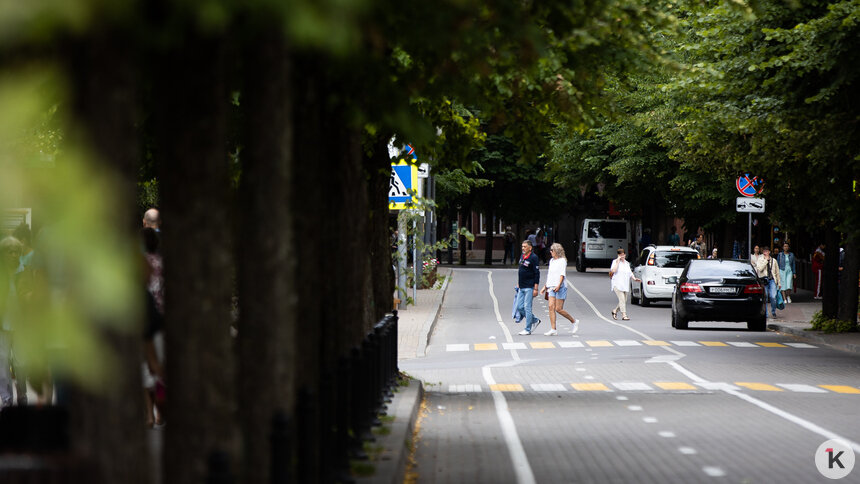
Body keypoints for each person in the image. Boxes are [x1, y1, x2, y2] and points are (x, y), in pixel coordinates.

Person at [0, 236, 30, 407]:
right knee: (2, 363)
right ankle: (6, 399)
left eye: (16, 252)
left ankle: (22, 395)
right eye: (9, 252)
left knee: (21, 363)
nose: (13, 255)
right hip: (2, 326)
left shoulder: (24, 271)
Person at [539, 243, 577, 335]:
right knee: (550, 307)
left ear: (556, 251)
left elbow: (562, 274)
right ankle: (553, 329)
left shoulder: (562, 261)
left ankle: (574, 321)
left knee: (558, 309)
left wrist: (559, 285)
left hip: (561, 286)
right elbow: (550, 275)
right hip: (551, 286)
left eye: (552, 250)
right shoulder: (552, 261)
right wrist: (545, 286)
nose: (550, 252)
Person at [515, 240, 541, 335]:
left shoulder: (534, 257)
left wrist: (536, 288)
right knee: (519, 307)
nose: (523, 248)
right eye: (522, 246)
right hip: (521, 286)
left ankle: (527, 329)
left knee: (527, 307)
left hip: (529, 286)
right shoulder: (522, 256)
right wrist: (518, 283)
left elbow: (536, 273)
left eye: (525, 247)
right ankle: (535, 320)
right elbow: (521, 270)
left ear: (530, 248)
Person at [609, 248, 641, 321]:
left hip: (625, 284)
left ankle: (615, 311)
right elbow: (613, 271)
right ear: (618, 255)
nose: (622, 256)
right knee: (622, 300)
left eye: (623, 254)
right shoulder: (615, 262)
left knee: (624, 300)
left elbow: (629, 273)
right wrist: (617, 261)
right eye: (620, 255)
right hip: (617, 284)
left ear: (625, 255)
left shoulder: (627, 263)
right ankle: (624, 315)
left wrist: (634, 278)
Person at [755, 246, 782, 318]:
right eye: (764, 251)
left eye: (766, 251)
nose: (765, 253)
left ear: (769, 252)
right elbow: (760, 269)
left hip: (772, 280)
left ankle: (773, 311)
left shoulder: (774, 261)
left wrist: (779, 283)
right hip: (764, 280)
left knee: (773, 296)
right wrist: (765, 261)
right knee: (765, 297)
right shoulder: (760, 260)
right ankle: (765, 313)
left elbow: (777, 272)